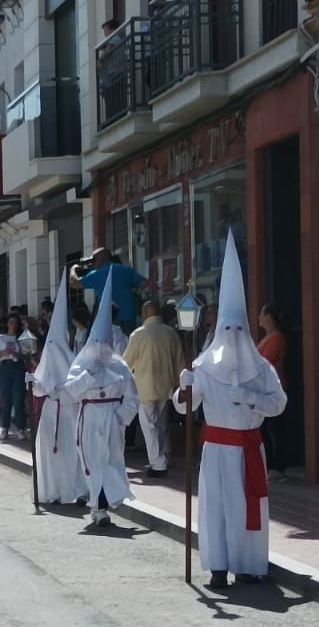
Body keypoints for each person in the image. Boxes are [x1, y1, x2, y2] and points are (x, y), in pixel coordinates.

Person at [173, 233, 288, 588]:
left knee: (246, 508)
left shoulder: (261, 370)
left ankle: (250, 564)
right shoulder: (204, 368)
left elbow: (279, 403)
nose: (234, 334)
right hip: (216, 450)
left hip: (248, 447)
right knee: (217, 509)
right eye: (228, 328)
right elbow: (184, 406)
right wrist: (184, 385)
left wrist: (252, 399)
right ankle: (219, 566)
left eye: (240, 328)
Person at [62, 274, 140, 530]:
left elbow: (132, 396)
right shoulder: (81, 363)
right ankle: (99, 506)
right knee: (93, 462)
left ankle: (102, 504)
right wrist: (88, 376)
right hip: (90, 416)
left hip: (112, 417)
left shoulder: (121, 366)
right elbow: (70, 391)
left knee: (110, 462)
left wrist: (121, 418)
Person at [28, 282, 86, 507]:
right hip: (55, 411)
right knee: (56, 453)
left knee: (70, 451)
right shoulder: (67, 356)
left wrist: (44, 386)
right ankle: (56, 490)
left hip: (66, 410)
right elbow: (40, 387)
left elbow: (74, 386)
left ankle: (77, 490)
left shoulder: (70, 358)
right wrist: (34, 381)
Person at [121, 297, 185, 478]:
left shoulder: (138, 334)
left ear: (146, 313)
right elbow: (180, 360)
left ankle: (158, 463)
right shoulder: (170, 333)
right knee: (161, 424)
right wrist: (181, 384)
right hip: (167, 386)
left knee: (149, 426)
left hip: (144, 386)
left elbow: (126, 362)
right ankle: (164, 456)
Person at [70, 246, 146, 332]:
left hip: (108, 321)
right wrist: (134, 293)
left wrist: (73, 269)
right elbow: (143, 283)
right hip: (128, 317)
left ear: (102, 259)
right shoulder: (126, 270)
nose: (92, 263)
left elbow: (74, 283)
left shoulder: (97, 274)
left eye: (94, 260)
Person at [256, 303, 289, 480]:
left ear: (269, 316)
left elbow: (264, 361)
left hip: (274, 388)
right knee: (266, 428)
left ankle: (278, 467)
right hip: (263, 389)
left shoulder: (276, 338)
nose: (258, 317)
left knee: (274, 429)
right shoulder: (267, 337)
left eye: (261, 313)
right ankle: (269, 465)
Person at [0, 314, 30, 442]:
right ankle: (5, 427)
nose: (13, 325)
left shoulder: (20, 338)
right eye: (11, 322)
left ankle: (20, 428)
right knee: (6, 399)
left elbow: (26, 354)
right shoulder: (0, 338)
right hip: (5, 367)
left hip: (17, 367)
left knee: (18, 398)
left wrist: (16, 354)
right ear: (7, 323)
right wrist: (4, 353)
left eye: (15, 322)